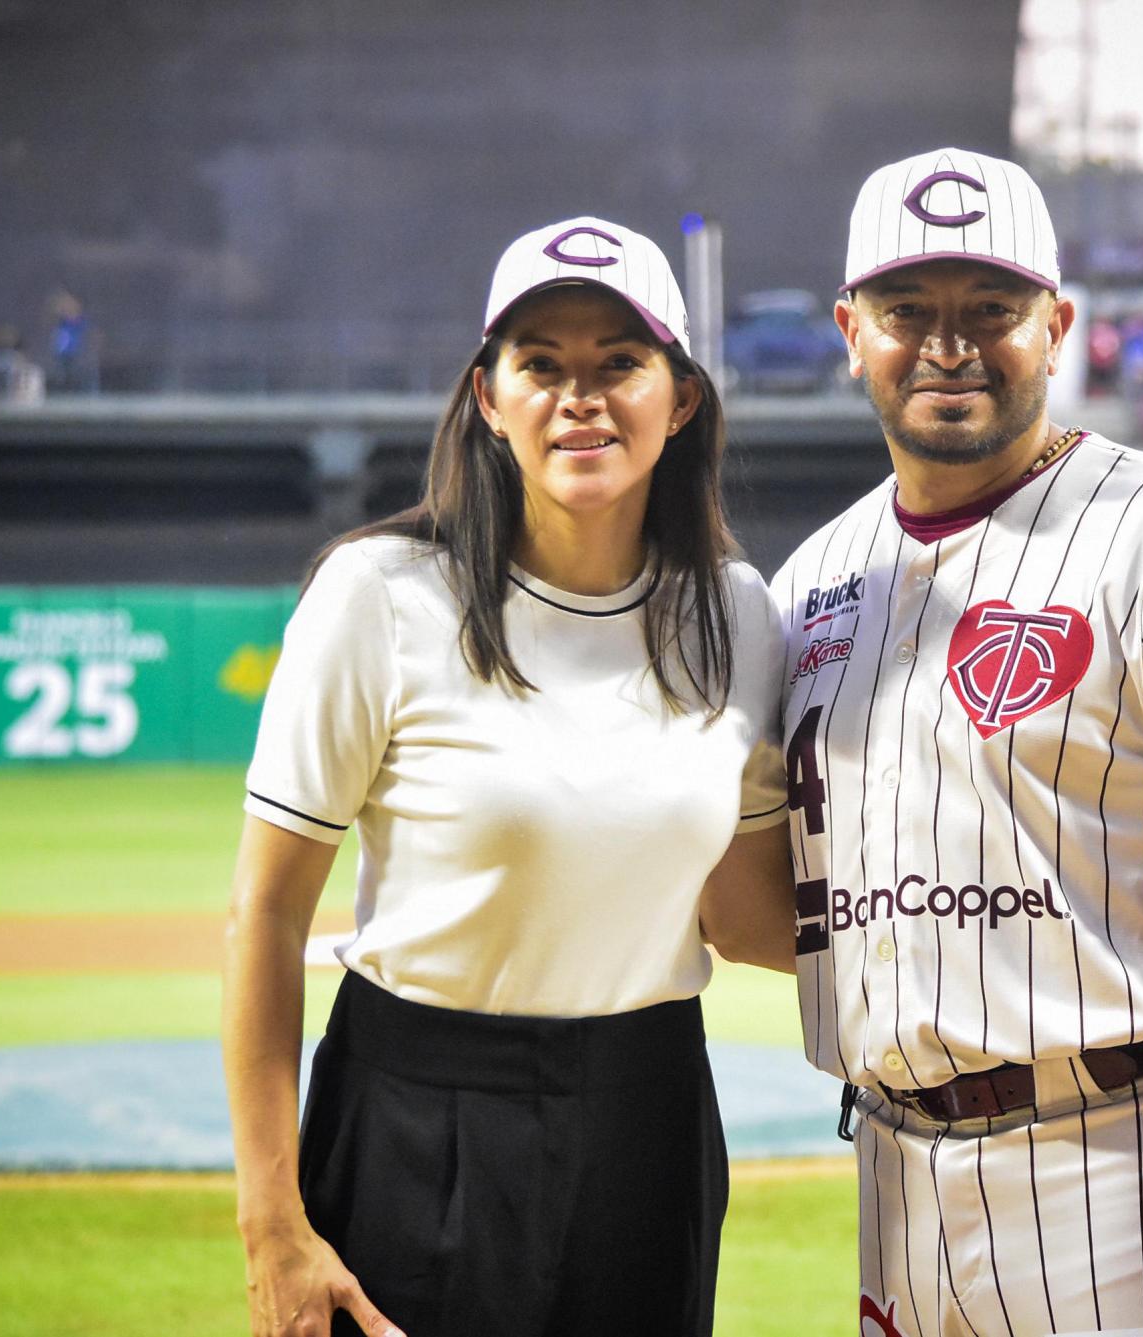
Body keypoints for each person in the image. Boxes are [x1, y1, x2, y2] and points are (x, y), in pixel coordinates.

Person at [761, 148, 1143, 1337]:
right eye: (905, 311)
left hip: (1125, 1164)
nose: (948, 344)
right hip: (894, 1168)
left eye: (990, 310)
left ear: (1056, 324)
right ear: (848, 330)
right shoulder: (811, 582)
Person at [222, 216, 794, 1337]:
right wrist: (272, 1223)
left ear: (679, 399)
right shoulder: (378, 595)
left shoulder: (735, 615)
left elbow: (742, 914)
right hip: (413, 1111)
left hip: (652, 1116)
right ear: (489, 398)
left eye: (618, 362)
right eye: (541, 363)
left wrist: (972, 941)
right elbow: (266, 908)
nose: (579, 393)